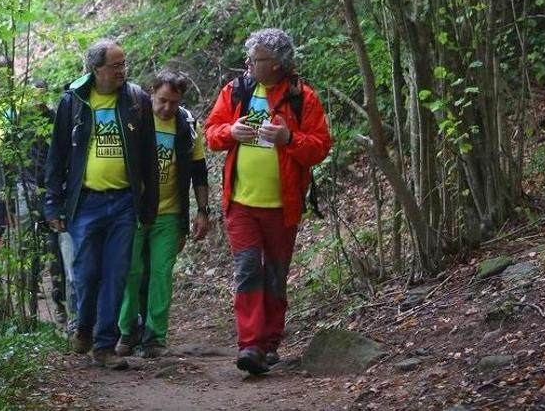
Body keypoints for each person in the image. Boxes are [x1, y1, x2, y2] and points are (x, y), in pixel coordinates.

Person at [204, 28, 332, 375]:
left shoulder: (301, 97)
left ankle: (270, 343)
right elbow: (211, 133)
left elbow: (320, 147)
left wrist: (289, 136)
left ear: (276, 64)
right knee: (247, 270)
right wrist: (231, 132)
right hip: (241, 203)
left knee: (275, 275)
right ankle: (250, 345)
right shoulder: (237, 91)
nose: (249, 64)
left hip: (282, 205)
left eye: (256, 59)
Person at [44, 38, 158, 370]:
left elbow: (149, 157)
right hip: (86, 202)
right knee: (87, 272)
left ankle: (105, 346)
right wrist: (53, 204)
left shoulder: (137, 101)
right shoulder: (74, 101)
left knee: (116, 274)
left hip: (124, 202)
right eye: (116, 65)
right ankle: (84, 326)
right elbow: (57, 156)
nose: (123, 70)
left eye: (125, 64)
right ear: (96, 69)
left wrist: (148, 206)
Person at [115, 70, 210, 358]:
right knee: (130, 272)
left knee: (161, 274)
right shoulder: (135, 119)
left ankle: (155, 336)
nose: (167, 108)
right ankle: (127, 331)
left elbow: (199, 172)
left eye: (174, 102)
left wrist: (202, 211)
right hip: (134, 210)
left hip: (170, 214)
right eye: (162, 100)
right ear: (152, 92)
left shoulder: (186, 125)